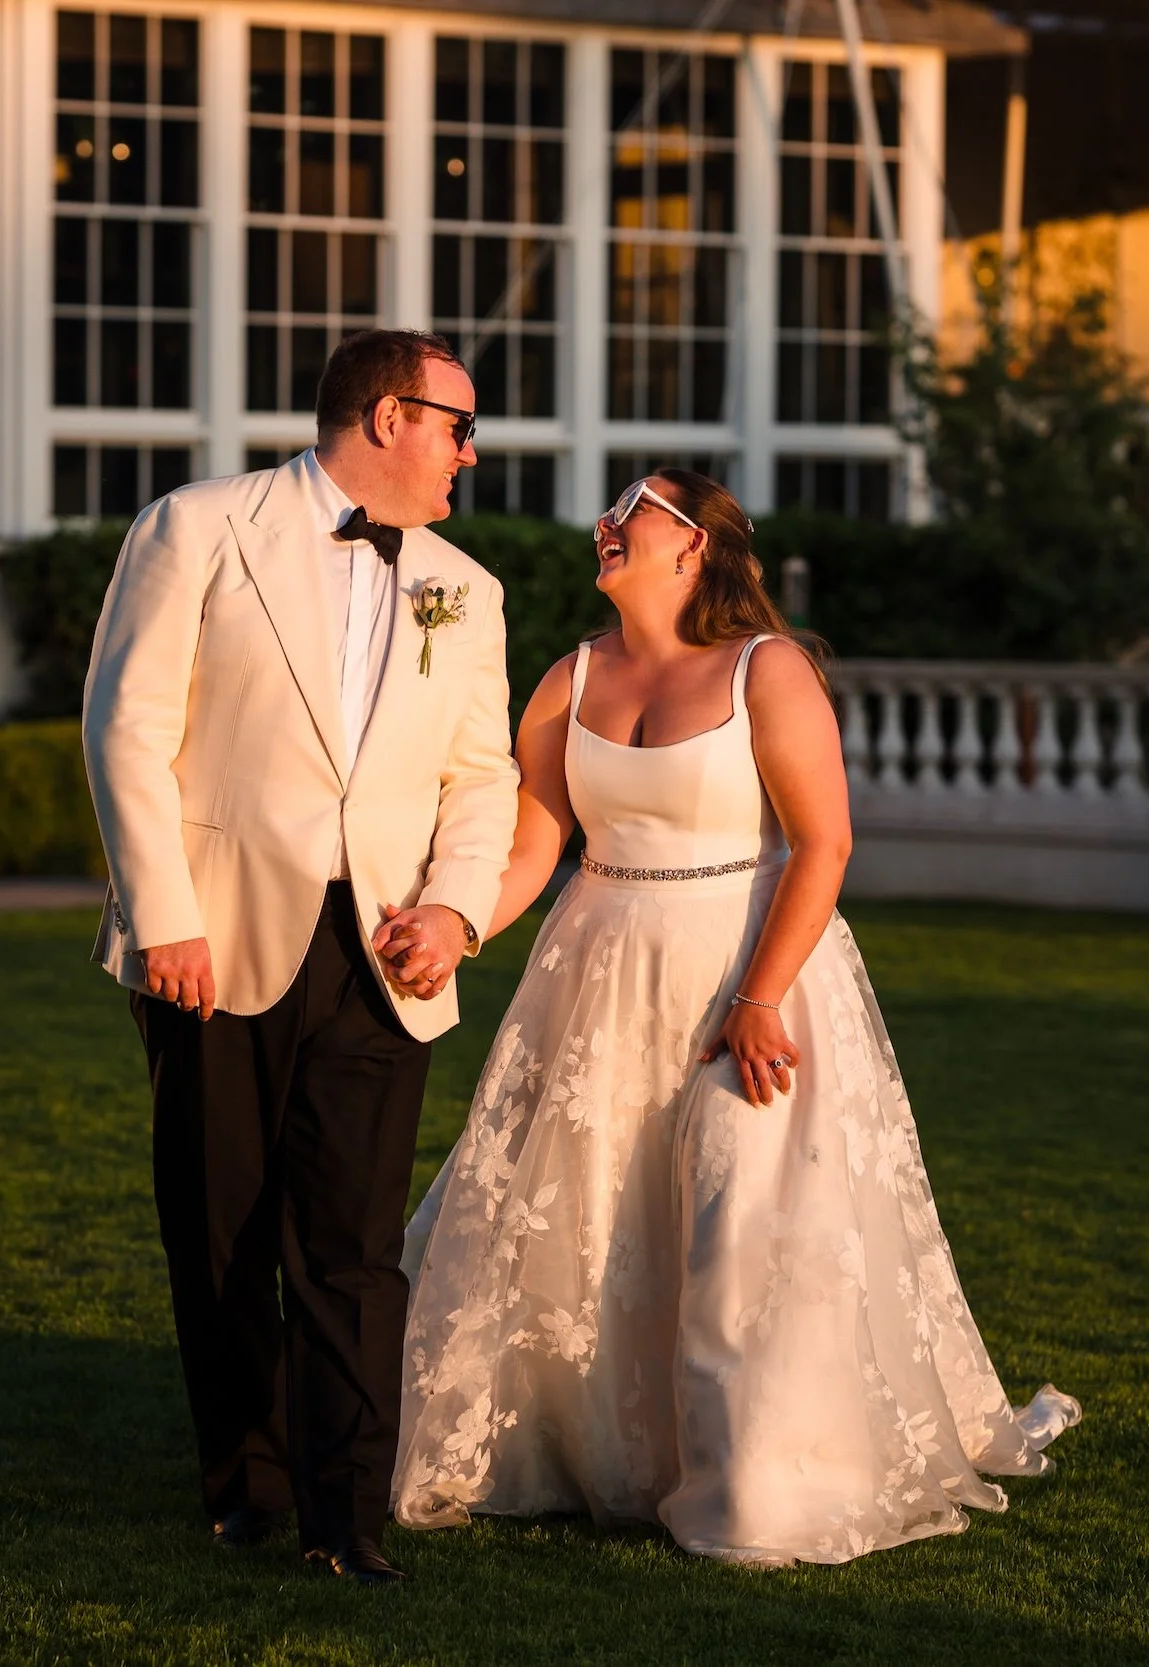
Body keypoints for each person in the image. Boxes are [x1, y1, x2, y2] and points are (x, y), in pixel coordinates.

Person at [392, 470, 1079, 1568]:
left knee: (739, 1217)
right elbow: (531, 844)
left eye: (637, 512)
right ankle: (597, 1450)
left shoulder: (769, 668)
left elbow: (825, 842)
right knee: (588, 1215)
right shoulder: (568, 680)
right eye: (611, 513)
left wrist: (757, 996)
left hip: (750, 975)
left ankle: (754, 1483)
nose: (608, 526)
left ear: (696, 547)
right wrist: (455, 925)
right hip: (598, 976)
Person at [81, 329, 519, 1585]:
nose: (467, 453)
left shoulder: (465, 588)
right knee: (219, 1229)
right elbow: (126, 727)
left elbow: (479, 777)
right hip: (210, 938)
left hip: (385, 955)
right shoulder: (196, 527)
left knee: (353, 1244)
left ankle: (348, 1517)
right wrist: (163, 914)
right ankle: (247, 1477)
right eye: (455, 424)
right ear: (386, 418)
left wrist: (453, 912)